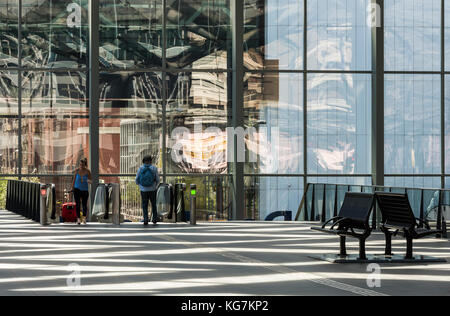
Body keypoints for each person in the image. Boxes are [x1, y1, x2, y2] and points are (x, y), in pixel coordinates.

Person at [136, 155, 160, 225]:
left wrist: (140, 185)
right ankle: (154, 219)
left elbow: (137, 179)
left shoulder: (140, 168)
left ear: (143, 161)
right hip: (152, 189)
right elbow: (158, 179)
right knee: (153, 204)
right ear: (150, 161)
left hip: (143, 190)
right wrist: (155, 186)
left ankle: (146, 219)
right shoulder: (154, 168)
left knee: (144, 205)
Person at [72, 158, 92, 225]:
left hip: (85, 190)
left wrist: (89, 181)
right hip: (77, 189)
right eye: (80, 164)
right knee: (77, 204)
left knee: (84, 205)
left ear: (85, 165)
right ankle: (78, 219)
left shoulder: (88, 171)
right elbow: (74, 180)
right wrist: (72, 188)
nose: (81, 166)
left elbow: (91, 180)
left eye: (82, 165)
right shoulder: (77, 171)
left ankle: (84, 218)